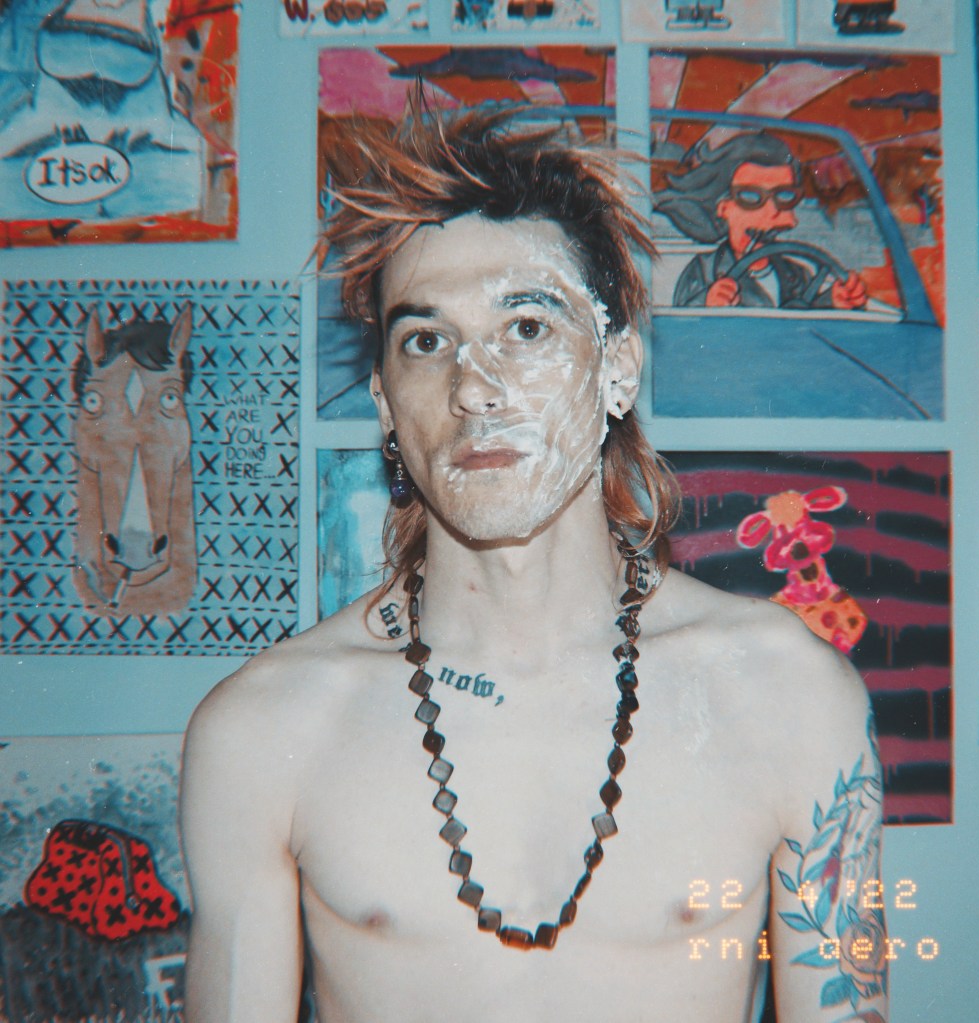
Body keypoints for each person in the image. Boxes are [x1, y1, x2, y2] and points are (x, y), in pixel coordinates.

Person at [180, 107, 887, 1023]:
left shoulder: (789, 695)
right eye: (426, 340)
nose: (474, 387)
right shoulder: (262, 730)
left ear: (618, 370)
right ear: (387, 404)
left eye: (525, 327)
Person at [656, 132, 869, 311]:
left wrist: (832, 301)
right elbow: (681, 330)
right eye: (750, 196)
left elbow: (801, 323)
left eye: (784, 196)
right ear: (723, 207)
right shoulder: (704, 271)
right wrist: (707, 304)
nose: (772, 211)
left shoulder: (796, 275)